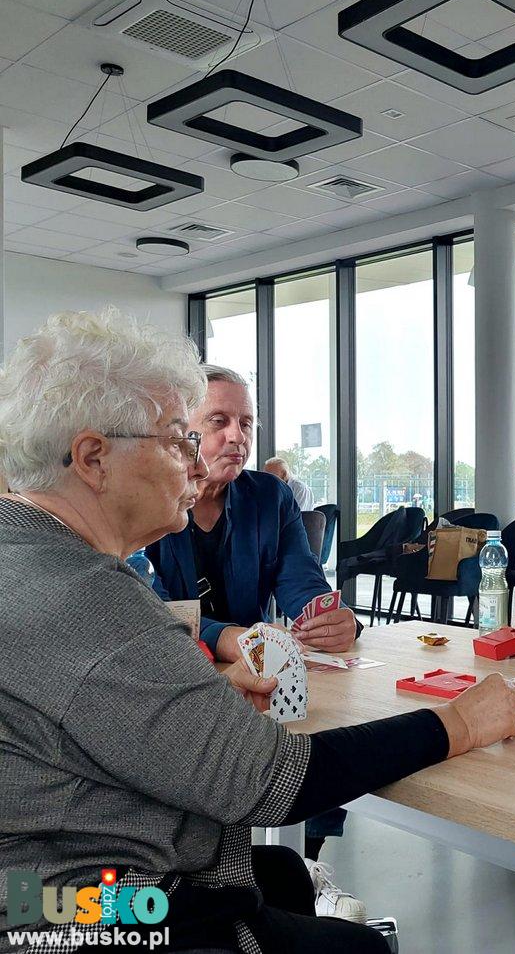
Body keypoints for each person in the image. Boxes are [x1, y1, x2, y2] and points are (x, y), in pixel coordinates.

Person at [0, 309, 515, 953]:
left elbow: (90, 702)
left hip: (37, 882)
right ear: (93, 459)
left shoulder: (26, 555)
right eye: (177, 440)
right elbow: (269, 781)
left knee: (281, 874)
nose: (193, 463)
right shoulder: (89, 597)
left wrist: (199, 697)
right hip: (68, 913)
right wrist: (461, 723)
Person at [144, 365, 360, 875]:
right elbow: (148, 607)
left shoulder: (269, 496)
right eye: (218, 421)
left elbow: (303, 583)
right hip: (179, 680)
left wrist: (331, 618)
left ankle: (308, 864)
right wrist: (231, 638)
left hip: (260, 674)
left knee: (326, 734)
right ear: (181, 431)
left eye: (246, 423)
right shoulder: (151, 499)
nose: (237, 437)